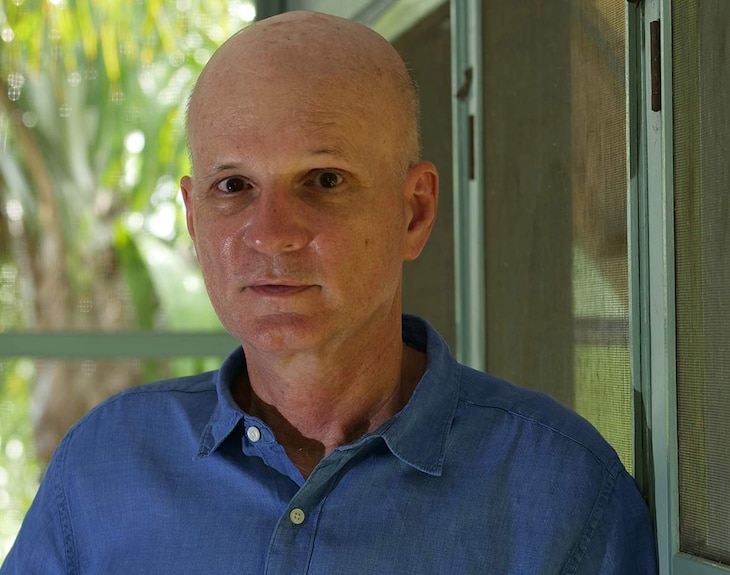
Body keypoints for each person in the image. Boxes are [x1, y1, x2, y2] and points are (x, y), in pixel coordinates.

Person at [1, 10, 657, 574]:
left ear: (415, 211)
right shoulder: (102, 470)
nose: (272, 234)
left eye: (324, 179)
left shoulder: (562, 493)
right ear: (194, 218)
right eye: (233, 185)